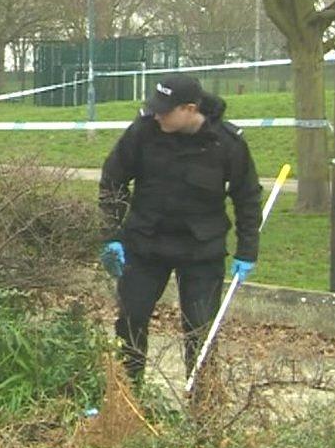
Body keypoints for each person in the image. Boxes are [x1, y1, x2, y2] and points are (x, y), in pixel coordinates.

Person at [98, 75, 261, 383]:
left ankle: (203, 409)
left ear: (189, 109)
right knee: (130, 320)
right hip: (146, 243)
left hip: (202, 250)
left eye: (165, 110)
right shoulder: (143, 132)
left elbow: (247, 197)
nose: (157, 115)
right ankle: (127, 399)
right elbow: (112, 180)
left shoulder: (227, 143)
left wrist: (247, 249)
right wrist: (112, 234)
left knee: (200, 331)